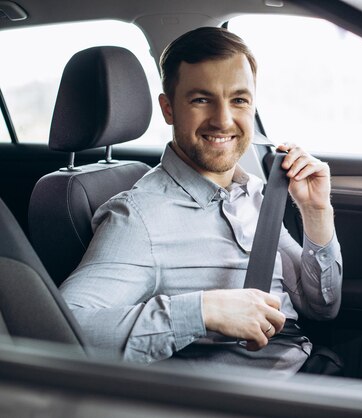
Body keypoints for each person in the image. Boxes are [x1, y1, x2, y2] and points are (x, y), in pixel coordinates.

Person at [60, 27, 342, 378]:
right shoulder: (139, 217)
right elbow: (63, 328)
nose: (223, 119)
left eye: (239, 100)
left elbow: (321, 307)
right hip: (269, 398)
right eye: (201, 99)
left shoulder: (256, 192)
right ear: (169, 109)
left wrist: (316, 212)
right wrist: (203, 311)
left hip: (315, 364)